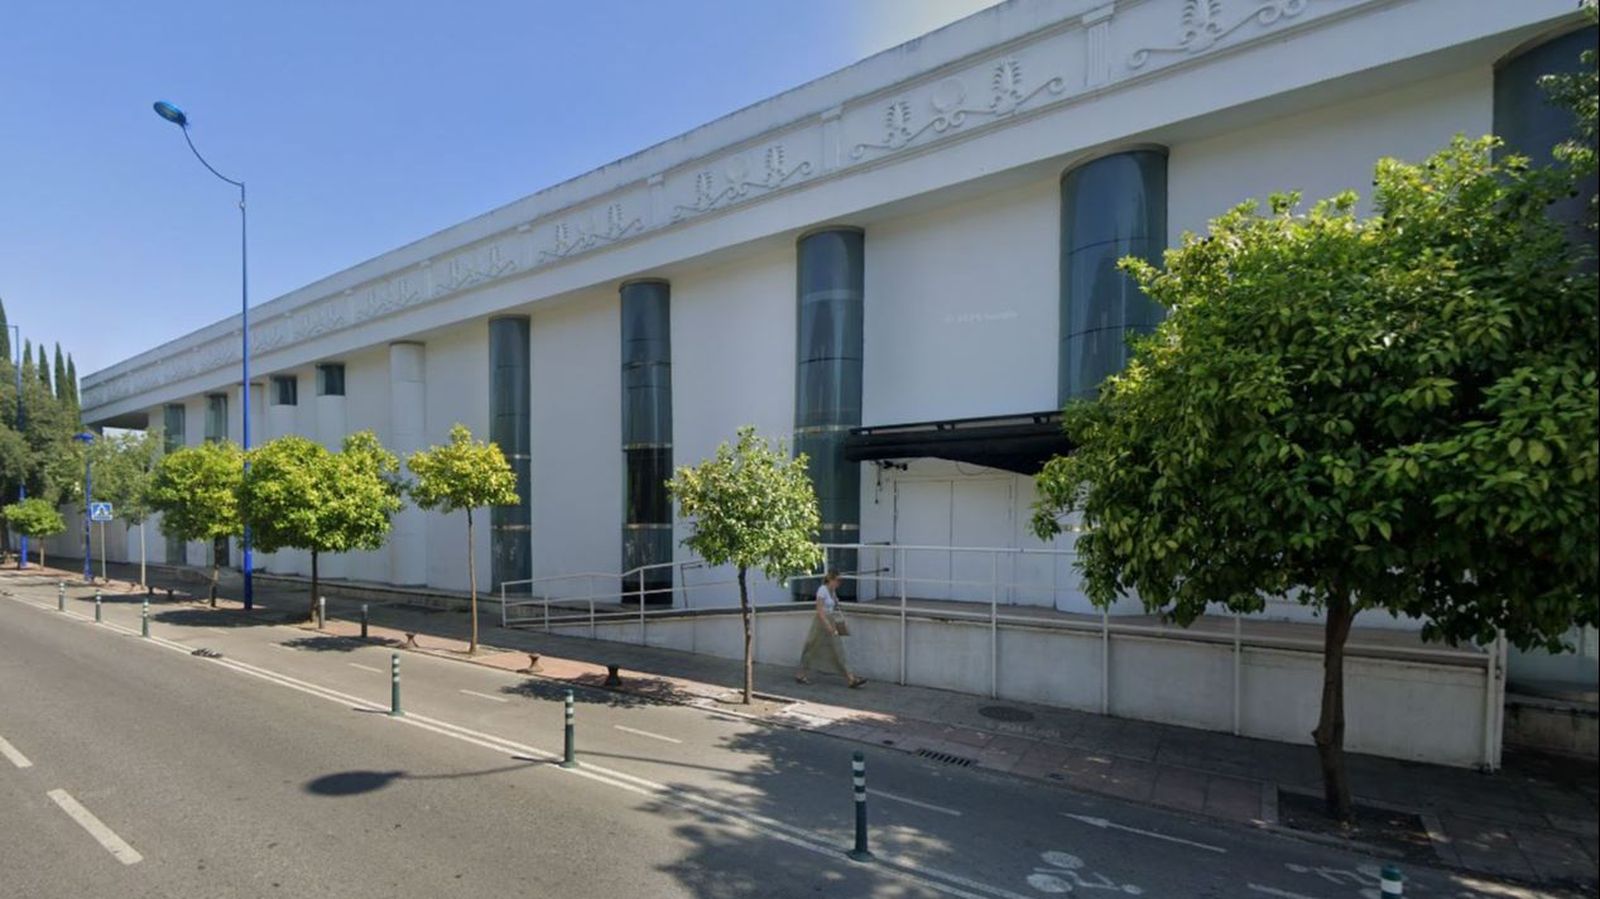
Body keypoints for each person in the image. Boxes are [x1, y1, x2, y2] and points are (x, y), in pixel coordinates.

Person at [795, 570, 866, 688]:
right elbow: (819, 609)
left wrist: (835, 603)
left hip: (830, 619)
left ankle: (851, 678)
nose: (840, 583)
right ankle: (801, 674)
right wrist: (827, 625)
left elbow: (833, 606)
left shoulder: (832, 591)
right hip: (821, 621)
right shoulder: (822, 590)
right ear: (831, 580)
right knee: (812, 646)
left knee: (838, 649)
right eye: (838, 580)